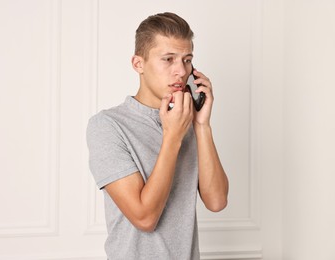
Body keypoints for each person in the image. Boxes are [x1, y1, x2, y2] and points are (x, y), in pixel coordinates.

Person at [86, 12, 229, 260]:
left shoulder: (188, 121)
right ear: (138, 64)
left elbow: (216, 201)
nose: (180, 71)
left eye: (187, 60)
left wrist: (202, 125)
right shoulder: (107, 126)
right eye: (168, 59)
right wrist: (172, 136)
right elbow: (145, 217)